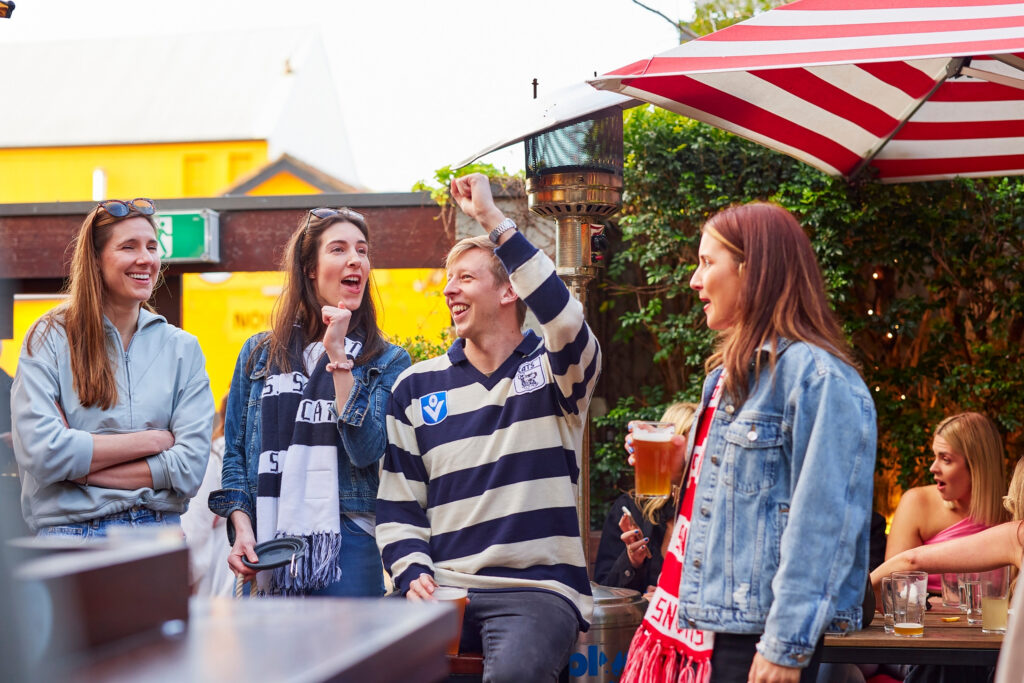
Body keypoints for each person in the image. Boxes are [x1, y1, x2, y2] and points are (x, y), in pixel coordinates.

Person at [621, 202, 876, 683]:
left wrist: (783, 647)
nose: (695, 281)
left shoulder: (820, 379)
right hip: (702, 627)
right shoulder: (725, 377)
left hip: (755, 639)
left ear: (751, 269)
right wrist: (685, 461)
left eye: (706, 262)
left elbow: (823, 528)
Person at [376, 173, 601, 682]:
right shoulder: (414, 386)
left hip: (536, 590)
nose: (449, 289)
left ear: (508, 292)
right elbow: (397, 507)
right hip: (440, 587)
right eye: (448, 279)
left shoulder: (554, 369)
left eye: (466, 278)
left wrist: (492, 220)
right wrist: (412, 571)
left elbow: (565, 319)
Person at [208, 207, 410, 597]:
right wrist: (242, 527)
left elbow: (367, 449)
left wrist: (339, 360)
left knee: (349, 659)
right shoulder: (259, 354)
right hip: (266, 541)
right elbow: (234, 454)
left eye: (362, 251)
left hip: (345, 541)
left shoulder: (387, 359)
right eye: (338, 249)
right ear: (310, 269)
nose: (356, 260)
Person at [11, 198, 213, 537]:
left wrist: (81, 469)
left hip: (157, 533)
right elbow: (43, 453)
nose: (146, 259)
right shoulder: (49, 337)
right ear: (95, 259)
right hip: (70, 535)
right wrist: (153, 440)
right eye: (128, 247)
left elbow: (190, 469)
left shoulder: (182, 348)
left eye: (152, 246)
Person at [884, 411, 1007, 594]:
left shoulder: (1012, 511)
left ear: (977, 466)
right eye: (935, 456)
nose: (933, 468)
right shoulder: (917, 503)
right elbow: (893, 586)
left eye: (946, 459)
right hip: (928, 619)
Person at [595, 402, 697, 594]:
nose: (690, 454)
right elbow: (604, 591)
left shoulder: (709, 509)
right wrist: (632, 561)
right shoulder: (630, 509)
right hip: (637, 622)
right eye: (687, 442)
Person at [180, 395, 235, 597]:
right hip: (226, 575)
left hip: (222, 575)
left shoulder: (212, 459)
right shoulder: (213, 460)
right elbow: (195, 532)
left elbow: (194, 534)